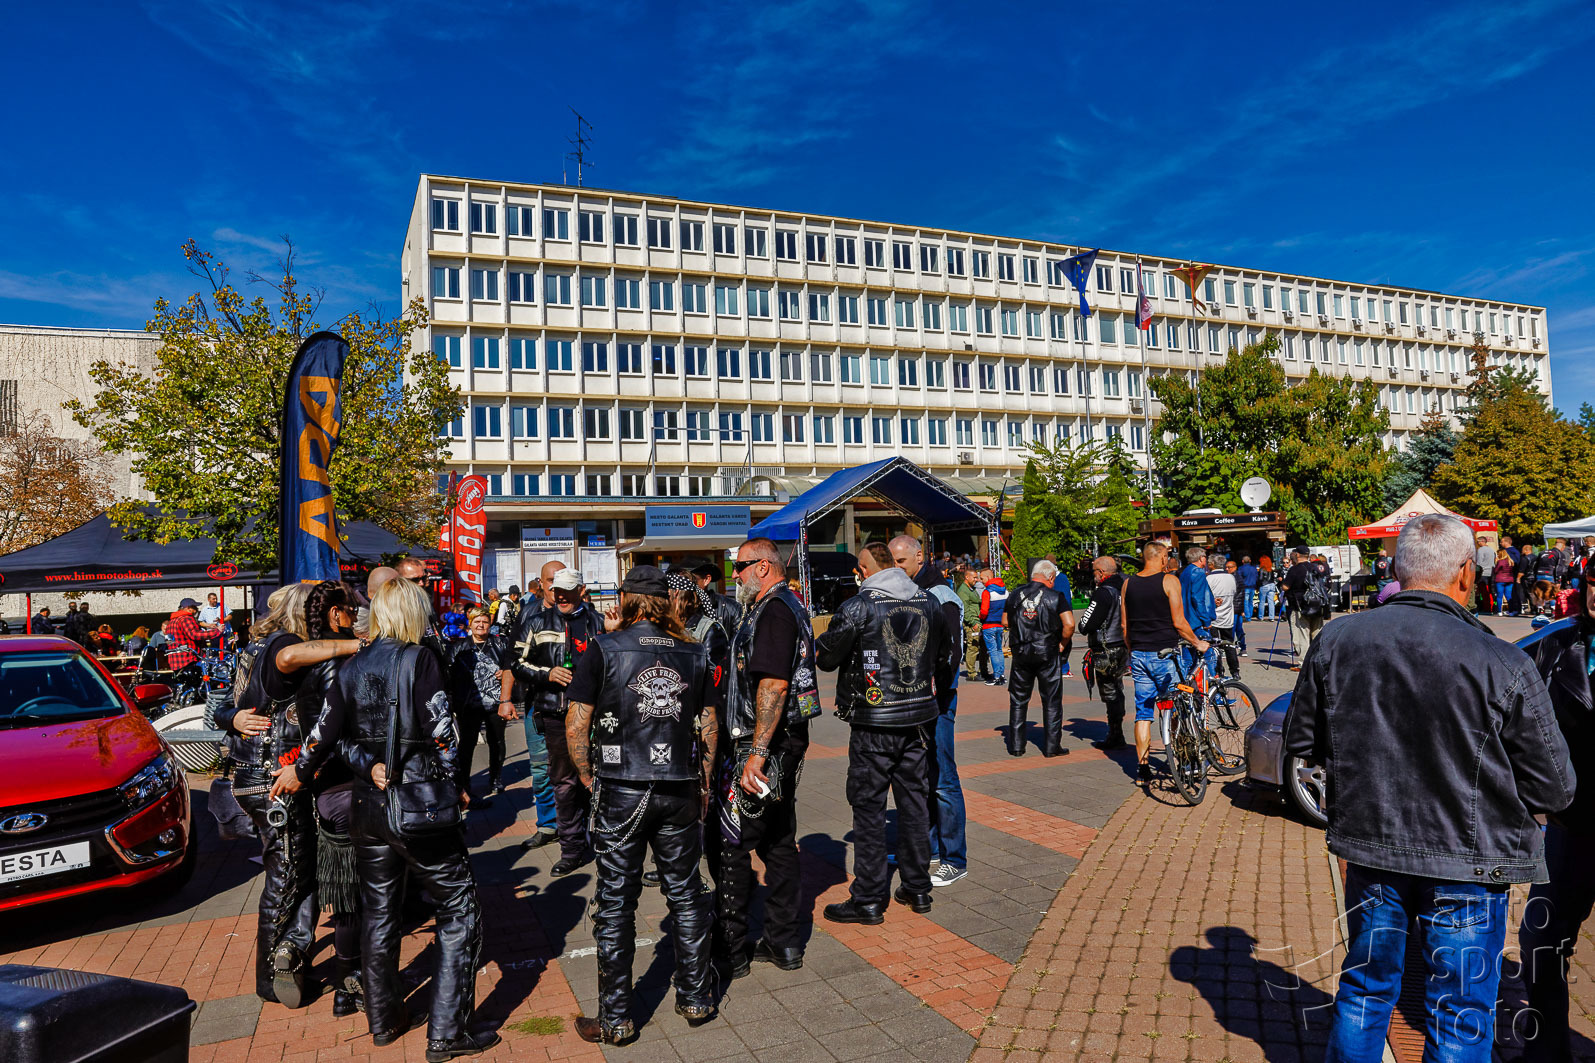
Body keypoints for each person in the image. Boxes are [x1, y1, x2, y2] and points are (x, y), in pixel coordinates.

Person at [1283, 514, 1573, 1063]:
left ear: (1397, 569)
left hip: (1373, 845)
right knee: (1459, 1011)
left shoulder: (1337, 640)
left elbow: (1302, 741)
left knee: (1365, 990)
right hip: (1469, 861)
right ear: (1466, 573)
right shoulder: (1502, 660)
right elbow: (1555, 787)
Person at [288, 577, 495, 1060]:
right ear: (414, 613)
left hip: (369, 808)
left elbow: (325, 736)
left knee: (379, 912)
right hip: (418, 802)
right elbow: (443, 733)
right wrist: (454, 782)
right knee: (459, 907)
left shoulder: (352, 665)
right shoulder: (420, 658)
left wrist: (360, 766)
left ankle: (384, 1020)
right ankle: (447, 1032)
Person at [562, 566, 720, 1044]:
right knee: (686, 894)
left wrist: (586, 774)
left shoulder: (603, 648)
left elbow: (577, 722)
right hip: (679, 785)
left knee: (616, 901)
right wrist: (704, 784)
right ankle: (696, 997)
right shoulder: (694, 650)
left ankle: (616, 1019)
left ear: (628, 600)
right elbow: (708, 723)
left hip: (621, 785)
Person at [216, 583, 360, 1010]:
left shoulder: (262, 646)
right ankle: (269, 976)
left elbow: (226, 703)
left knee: (300, 867)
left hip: (265, 775)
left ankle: (292, 950)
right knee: (286, 875)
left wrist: (231, 715)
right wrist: (357, 644)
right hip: (273, 779)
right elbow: (286, 660)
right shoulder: (283, 644)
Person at [816, 543, 955, 923]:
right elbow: (945, 656)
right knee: (914, 804)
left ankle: (868, 898)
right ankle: (917, 887)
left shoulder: (859, 606)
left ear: (863, 570)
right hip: (918, 719)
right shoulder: (928, 601)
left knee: (869, 809)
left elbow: (826, 657)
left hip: (873, 721)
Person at [716, 537, 819, 976]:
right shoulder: (778, 605)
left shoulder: (775, 609)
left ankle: (732, 950)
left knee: (731, 841)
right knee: (778, 839)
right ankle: (784, 942)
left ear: (763, 566)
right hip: (781, 741)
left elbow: (774, 684)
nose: (735, 575)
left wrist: (756, 753)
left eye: (740, 566)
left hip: (764, 746)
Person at [268, 580, 368, 1018]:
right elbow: (332, 732)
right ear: (334, 614)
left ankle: (345, 984)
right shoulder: (337, 663)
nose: (357, 614)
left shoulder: (313, 659)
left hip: (325, 786)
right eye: (351, 609)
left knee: (344, 893)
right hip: (346, 785)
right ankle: (354, 984)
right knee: (356, 894)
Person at [1514, 572, 1595, 1062]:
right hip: (1571, 824)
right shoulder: (1557, 646)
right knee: (1542, 941)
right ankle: (1546, 1053)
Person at [504, 566, 603, 874]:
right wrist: (547, 674)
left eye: (567, 591)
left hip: (596, 716)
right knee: (564, 781)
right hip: (556, 714)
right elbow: (515, 662)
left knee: (597, 779)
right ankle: (571, 849)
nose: (560, 597)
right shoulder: (536, 621)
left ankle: (601, 841)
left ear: (581, 591)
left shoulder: (599, 622)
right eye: (556, 591)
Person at [888, 535, 968, 887]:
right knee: (926, 776)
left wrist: (933, 694)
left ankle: (954, 859)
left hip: (937, 701)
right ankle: (932, 848)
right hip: (918, 701)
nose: (896, 568)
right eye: (892, 562)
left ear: (919, 556)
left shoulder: (940, 595)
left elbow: (951, 655)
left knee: (944, 779)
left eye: (901, 562)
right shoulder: (909, 591)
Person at [1120, 540, 1206, 787]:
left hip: (1139, 653)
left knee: (1143, 713)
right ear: (1161, 557)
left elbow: (1124, 625)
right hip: (1165, 654)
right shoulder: (1169, 581)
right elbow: (1179, 622)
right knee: (1178, 707)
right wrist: (1197, 642)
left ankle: (1143, 769)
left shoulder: (1128, 584)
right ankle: (1185, 762)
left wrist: (1132, 649)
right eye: (1167, 555)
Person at [1004, 559, 1074, 757]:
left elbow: (1005, 621)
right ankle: (1052, 747)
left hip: (1021, 651)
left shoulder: (1015, 594)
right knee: (1051, 700)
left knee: (1018, 699)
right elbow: (1069, 624)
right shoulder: (1056, 596)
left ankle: (1017, 746)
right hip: (1047, 651)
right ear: (1050, 577)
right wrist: (1062, 643)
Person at [446, 606, 510, 806]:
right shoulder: (458, 647)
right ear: (470, 624)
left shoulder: (500, 643)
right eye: (477, 622)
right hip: (468, 705)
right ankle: (464, 783)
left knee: (497, 741)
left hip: (495, 703)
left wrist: (505, 672)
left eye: (485, 621)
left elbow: (513, 665)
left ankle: (496, 778)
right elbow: (449, 674)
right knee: (466, 745)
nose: (481, 625)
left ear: (490, 624)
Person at [1079, 556, 1129, 750]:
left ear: (1101, 572)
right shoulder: (1125, 586)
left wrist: (1082, 625)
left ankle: (1115, 734)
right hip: (1122, 645)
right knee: (1117, 688)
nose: (1093, 575)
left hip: (1106, 647)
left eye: (1094, 572)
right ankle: (1117, 730)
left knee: (1110, 691)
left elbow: (1087, 623)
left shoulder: (1103, 592)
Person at [1282, 549, 1329, 669]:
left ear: (1297, 555)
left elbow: (1285, 587)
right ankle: (1318, 661)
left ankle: (1304, 664)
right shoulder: (1315, 567)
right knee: (1317, 635)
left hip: (1300, 606)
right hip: (1317, 605)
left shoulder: (1295, 569)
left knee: (1302, 635)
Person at [1178, 547, 1217, 676]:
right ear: (1201, 558)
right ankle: (1213, 684)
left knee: (1189, 659)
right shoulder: (1198, 572)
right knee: (1209, 656)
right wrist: (1206, 620)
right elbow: (1197, 598)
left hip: (1186, 620)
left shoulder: (1186, 571)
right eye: (1205, 556)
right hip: (1196, 621)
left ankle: (1186, 683)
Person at [166, 597, 222, 672]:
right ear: (188, 608)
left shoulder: (171, 622)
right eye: (194, 608)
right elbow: (195, 634)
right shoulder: (186, 618)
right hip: (188, 659)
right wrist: (217, 631)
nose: (196, 610)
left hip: (175, 662)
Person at [1206, 556, 1240, 676]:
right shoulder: (1231, 577)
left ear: (1212, 564)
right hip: (1227, 615)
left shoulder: (1209, 578)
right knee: (1229, 644)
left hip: (1214, 617)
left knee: (1215, 646)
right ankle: (1235, 670)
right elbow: (1234, 592)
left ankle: (1218, 670)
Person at [957, 566, 990, 682]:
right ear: (967, 577)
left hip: (978, 621)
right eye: (974, 577)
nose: (976, 580)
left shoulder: (971, 589)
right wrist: (972, 623)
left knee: (983, 647)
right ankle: (971, 673)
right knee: (973, 647)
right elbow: (965, 609)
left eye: (977, 577)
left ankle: (983, 670)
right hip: (972, 624)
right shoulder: (963, 591)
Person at [979, 566, 1008, 686]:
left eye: (982, 578)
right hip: (1000, 624)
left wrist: (980, 616)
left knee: (993, 651)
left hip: (989, 625)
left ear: (987, 577)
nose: (981, 581)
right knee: (999, 650)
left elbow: (984, 611)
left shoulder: (987, 592)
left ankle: (996, 677)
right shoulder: (1005, 591)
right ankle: (1001, 675)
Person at [693, 562, 742, 631]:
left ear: (706, 580)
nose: (683, 585)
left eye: (689, 580)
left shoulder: (731, 608)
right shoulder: (679, 606)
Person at [1489, 549, 1515, 616]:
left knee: (1499, 596)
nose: (1497, 555)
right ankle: (1511, 611)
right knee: (1508, 596)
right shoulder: (1511, 561)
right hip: (1510, 580)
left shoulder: (1500, 562)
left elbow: (1496, 571)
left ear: (1500, 554)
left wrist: (1495, 564)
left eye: (1498, 554)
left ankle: (1499, 611)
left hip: (1500, 580)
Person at [1236, 555, 1259, 622]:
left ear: (1243, 561)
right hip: (1252, 586)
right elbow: (1257, 577)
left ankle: (1248, 616)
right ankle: (1250, 615)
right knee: (1250, 602)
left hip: (1245, 587)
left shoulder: (1241, 568)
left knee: (1245, 602)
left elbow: (1239, 578)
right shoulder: (1254, 568)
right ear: (1250, 561)